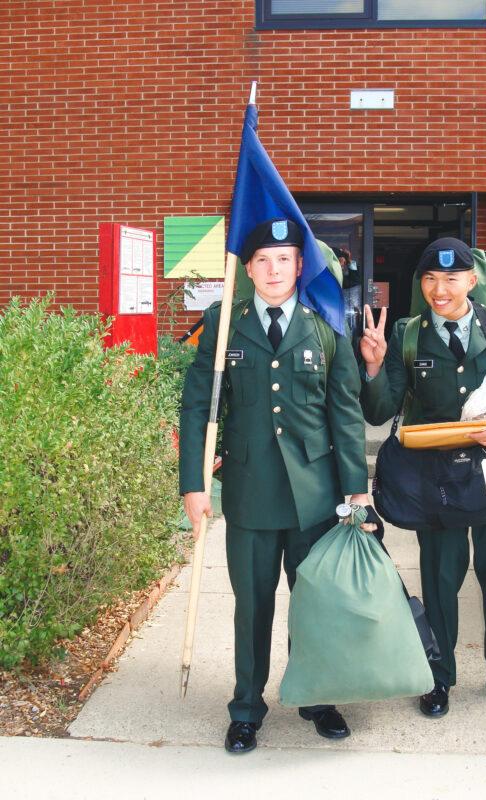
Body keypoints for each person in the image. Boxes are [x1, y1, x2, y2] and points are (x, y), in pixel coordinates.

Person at [179, 218, 372, 754]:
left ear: (299, 266)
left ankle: (317, 696)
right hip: (249, 492)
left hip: (316, 493)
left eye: (283, 259)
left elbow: (346, 412)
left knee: (313, 603)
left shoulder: (326, 322)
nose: (273, 269)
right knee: (253, 605)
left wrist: (357, 487)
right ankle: (246, 708)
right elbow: (199, 406)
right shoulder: (224, 322)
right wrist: (194, 484)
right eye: (262, 260)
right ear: (247, 269)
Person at [359, 237, 486, 718]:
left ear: (472, 281)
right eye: (430, 279)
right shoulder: (409, 334)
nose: (439, 289)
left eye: (451, 278)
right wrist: (372, 367)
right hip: (439, 485)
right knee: (439, 578)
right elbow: (381, 408)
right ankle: (440, 675)